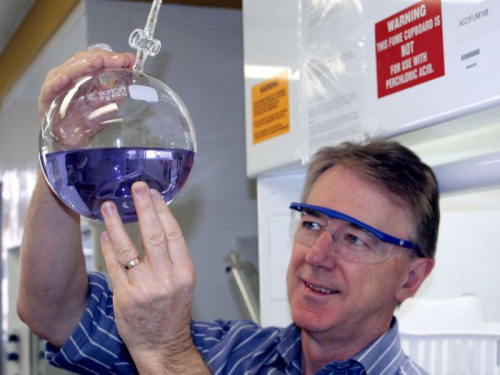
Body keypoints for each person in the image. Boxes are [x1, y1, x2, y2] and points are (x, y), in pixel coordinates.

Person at [18, 49, 439, 375]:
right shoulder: (235, 352)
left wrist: (166, 353)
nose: (316, 256)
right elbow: (54, 312)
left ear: (411, 277)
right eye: (312, 223)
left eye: (354, 238)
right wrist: (62, 151)